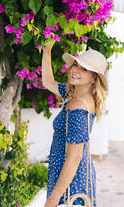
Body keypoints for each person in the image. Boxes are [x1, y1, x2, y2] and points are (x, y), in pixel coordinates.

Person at [42, 43, 108, 207]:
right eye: (76, 65)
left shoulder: (78, 107)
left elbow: (74, 157)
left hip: (70, 183)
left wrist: (53, 199)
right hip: (69, 177)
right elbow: (48, 82)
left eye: (84, 69)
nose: (75, 70)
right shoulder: (74, 94)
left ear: (94, 78)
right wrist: (47, 51)